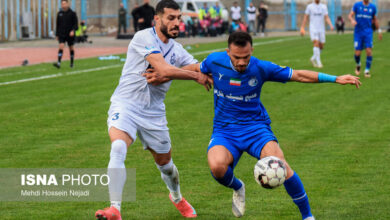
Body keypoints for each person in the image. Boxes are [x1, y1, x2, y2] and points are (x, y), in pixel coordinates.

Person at [145, 31, 361, 219]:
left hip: (256, 129)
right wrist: (163, 75)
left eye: (246, 57)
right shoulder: (215, 60)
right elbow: (194, 68)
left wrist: (335, 78)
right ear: (228, 52)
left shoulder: (261, 68)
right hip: (225, 131)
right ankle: (238, 187)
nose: (242, 62)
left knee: (281, 164)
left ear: (252, 51)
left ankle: (308, 215)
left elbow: (298, 75)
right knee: (217, 168)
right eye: (237, 58)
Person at [94, 1, 212, 219]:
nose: (177, 23)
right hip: (126, 104)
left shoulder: (177, 49)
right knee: (119, 146)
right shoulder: (143, 37)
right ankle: (114, 209)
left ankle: (176, 197)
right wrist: (194, 75)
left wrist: (214, 66)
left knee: (166, 165)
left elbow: (196, 66)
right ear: (157, 19)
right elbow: (167, 68)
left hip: (154, 113)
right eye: (171, 18)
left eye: (178, 18)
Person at [348, 0, 383, 77]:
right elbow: (350, 15)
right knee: (357, 53)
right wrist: (352, 20)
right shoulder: (357, 5)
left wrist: (379, 31)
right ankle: (358, 64)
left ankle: (367, 70)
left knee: (369, 51)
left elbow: (375, 19)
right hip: (358, 33)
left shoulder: (372, 7)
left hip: (368, 32)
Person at [300, 0, 334, 68]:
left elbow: (326, 17)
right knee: (316, 43)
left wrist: (330, 25)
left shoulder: (324, 6)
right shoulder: (309, 6)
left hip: (321, 29)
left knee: (321, 46)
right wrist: (302, 27)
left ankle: (313, 59)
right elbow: (305, 17)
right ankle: (319, 63)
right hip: (313, 28)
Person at [53, 0, 78, 69]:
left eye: (64, 4)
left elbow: (76, 25)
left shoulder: (72, 13)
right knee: (61, 46)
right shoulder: (59, 13)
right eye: (62, 4)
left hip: (70, 34)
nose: (63, 5)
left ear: (67, 4)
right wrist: (57, 34)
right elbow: (58, 25)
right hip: (62, 34)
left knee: (71, 48)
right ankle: (58, 63)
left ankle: (72, 63)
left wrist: (73, 31)